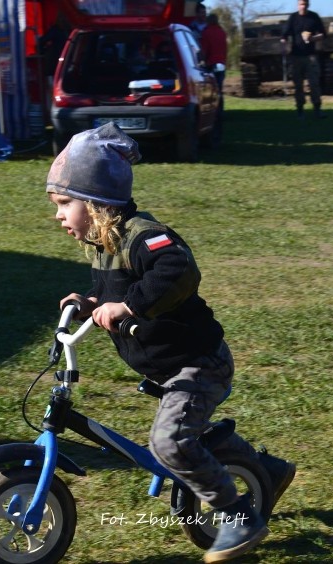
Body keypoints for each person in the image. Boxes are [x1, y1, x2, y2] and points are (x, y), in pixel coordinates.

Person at [46, 123, 296, 563]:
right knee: (186, 436)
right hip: (169, 367)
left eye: (65, 203)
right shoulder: (102, 245)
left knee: (170, 443)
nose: (59, 215)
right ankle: (266, 472)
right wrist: (89, 303)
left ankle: (240, 518)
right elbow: (112, 294)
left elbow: (178, 270)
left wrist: (129, 308)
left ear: (97, 203)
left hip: (197, 364)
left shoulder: (143, 236)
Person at [280, 0, 326, 118]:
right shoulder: (293, 18)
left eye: (305, 4)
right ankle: (300, 110)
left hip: (311, 56)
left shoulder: (313, 17)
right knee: (298, 85)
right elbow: (284, 35)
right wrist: (284, 46)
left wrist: (313, 38)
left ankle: (317, 109)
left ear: (308, 5)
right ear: (297, 5)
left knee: (314, 83)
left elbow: (323, 34)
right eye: (301, 4)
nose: (303, 7)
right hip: (296, 56)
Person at [200, 12, 228, 93]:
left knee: (211, 89)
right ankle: (220, 104)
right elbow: (225, 49)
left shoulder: (206, 32)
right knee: (219, 88)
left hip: (211, 64)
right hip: (221, 63)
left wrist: (202, 60)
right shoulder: (222, 32)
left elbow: (204, 49)